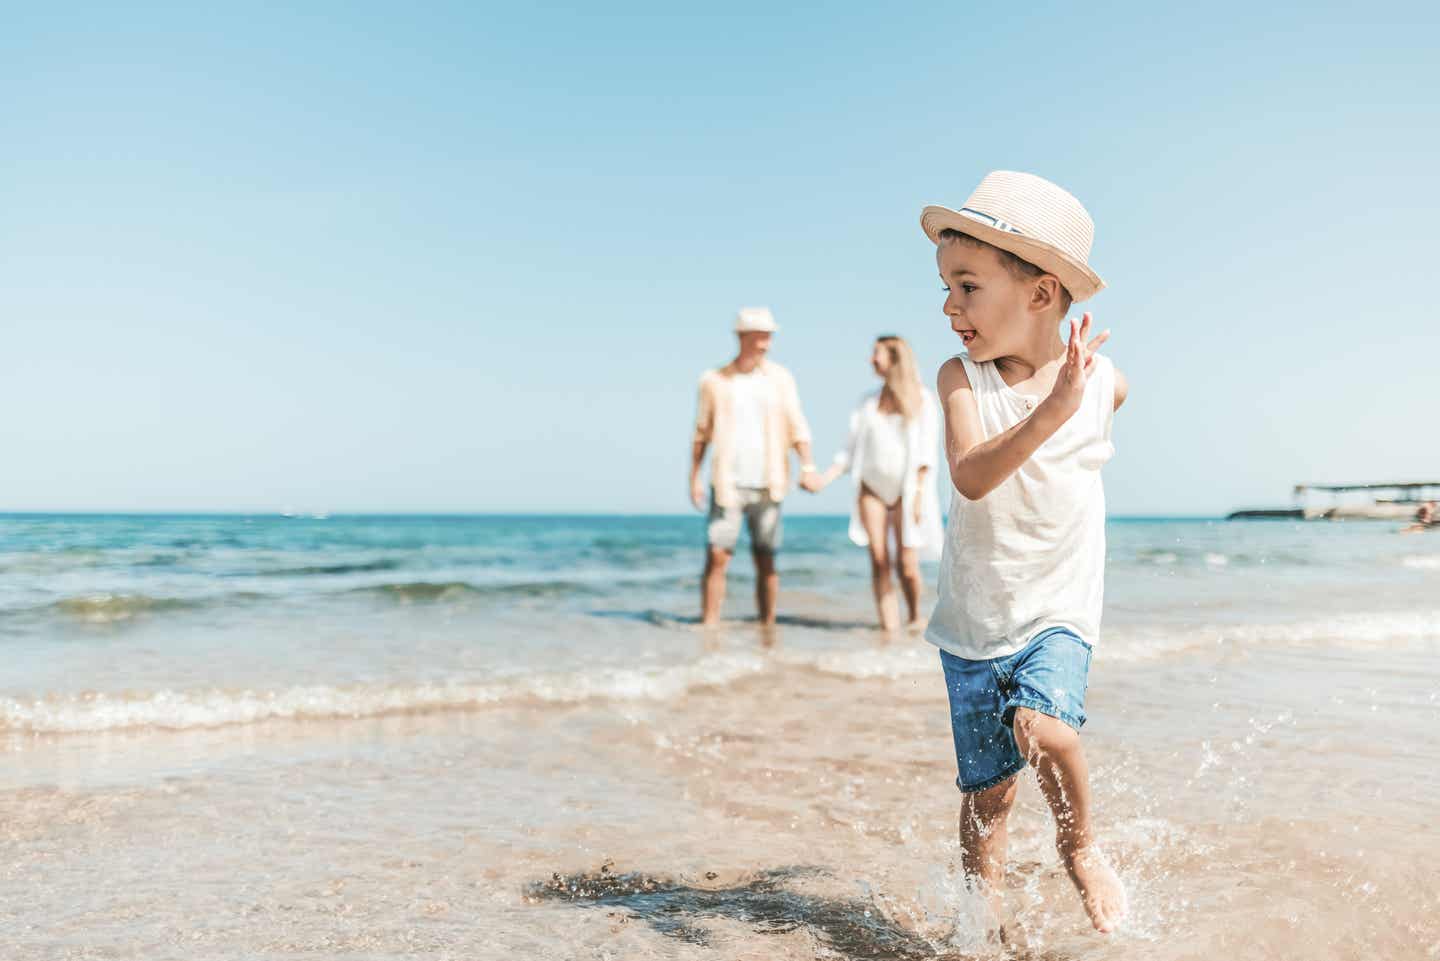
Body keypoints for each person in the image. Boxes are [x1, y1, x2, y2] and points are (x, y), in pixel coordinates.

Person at [920, 171, 1130, 936]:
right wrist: (1053, 409)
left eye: (967, 286)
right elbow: (971, 475)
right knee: (990, 796)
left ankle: (1080, 844)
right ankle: (984, 922)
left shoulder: (1099, 381)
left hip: (1058, 609)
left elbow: (1112, 391)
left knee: (1045, 728)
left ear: (1041, 295)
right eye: (946, 286)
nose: (949, 307)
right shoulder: (960, 379)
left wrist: (1074, 399)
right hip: (974, 623)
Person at [690, 307, 817, 626]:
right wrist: (694, 477)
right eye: (760, 336)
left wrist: (807, 465)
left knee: (766, 558)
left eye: (769, 337)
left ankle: (767, 625)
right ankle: (709, 625)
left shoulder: (780, 378)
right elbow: (701, 431)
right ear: (742, 337)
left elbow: (797, 425)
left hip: (770, 481)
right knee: (718, 555)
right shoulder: (714, 380)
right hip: (727, 482)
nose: (766, 344)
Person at [808, 335, 944, 632]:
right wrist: (823, 479)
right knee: (880, 559)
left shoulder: (922, 399)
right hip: (872, 489)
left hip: (907, 492)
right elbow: (849, 451)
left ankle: (915, 618)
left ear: (895, 359)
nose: (871, 359)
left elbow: (926, 454)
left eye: (877, 354)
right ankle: (888, 628)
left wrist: (919, 497)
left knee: (907, 565)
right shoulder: (868, 403)